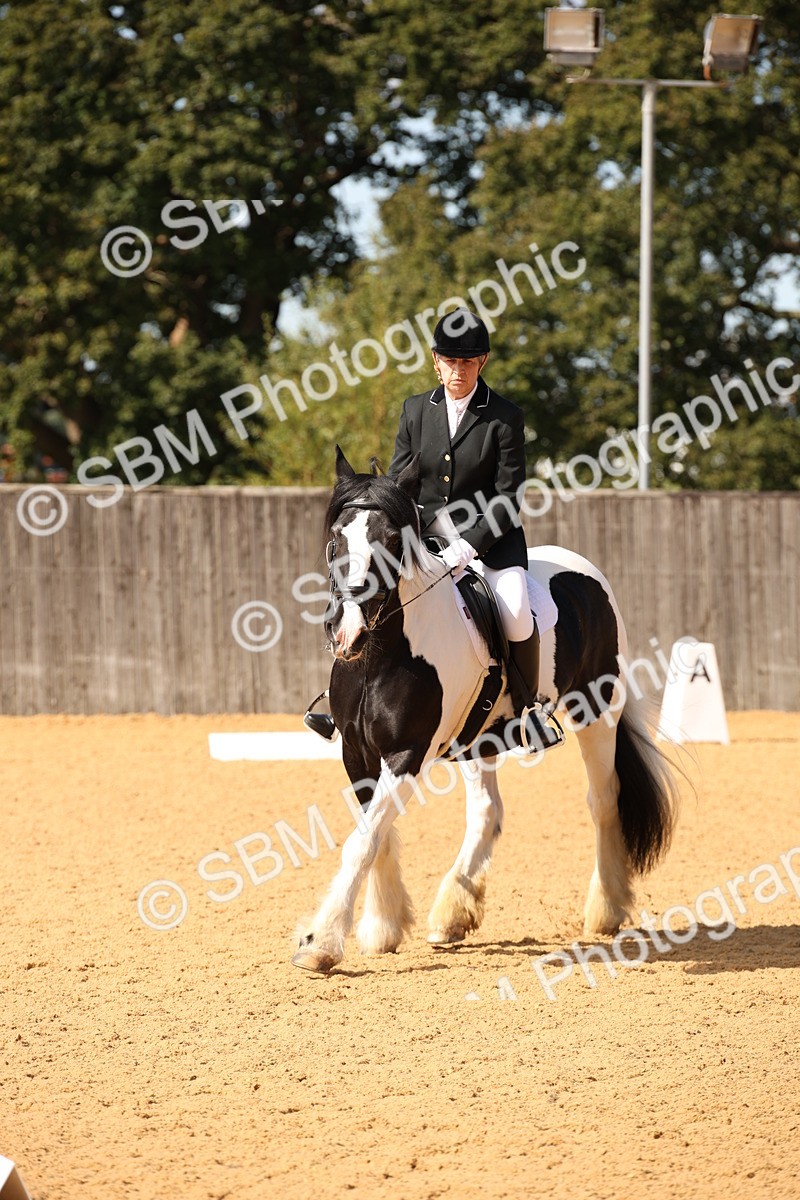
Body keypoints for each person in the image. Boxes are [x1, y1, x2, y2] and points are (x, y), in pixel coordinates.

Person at [304, 307, 563, 754]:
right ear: (435, 361)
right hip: (422, 542)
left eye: (467, 362)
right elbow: (400, 485)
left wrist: (469, 545)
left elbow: (507, 497)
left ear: (482, 362)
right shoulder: (415, 410)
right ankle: (346, 703)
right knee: (370, 595)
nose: (457, 371)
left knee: (517, 610)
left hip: (490, 543)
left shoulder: (503, 417)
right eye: (449, 361)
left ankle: (528, 713)